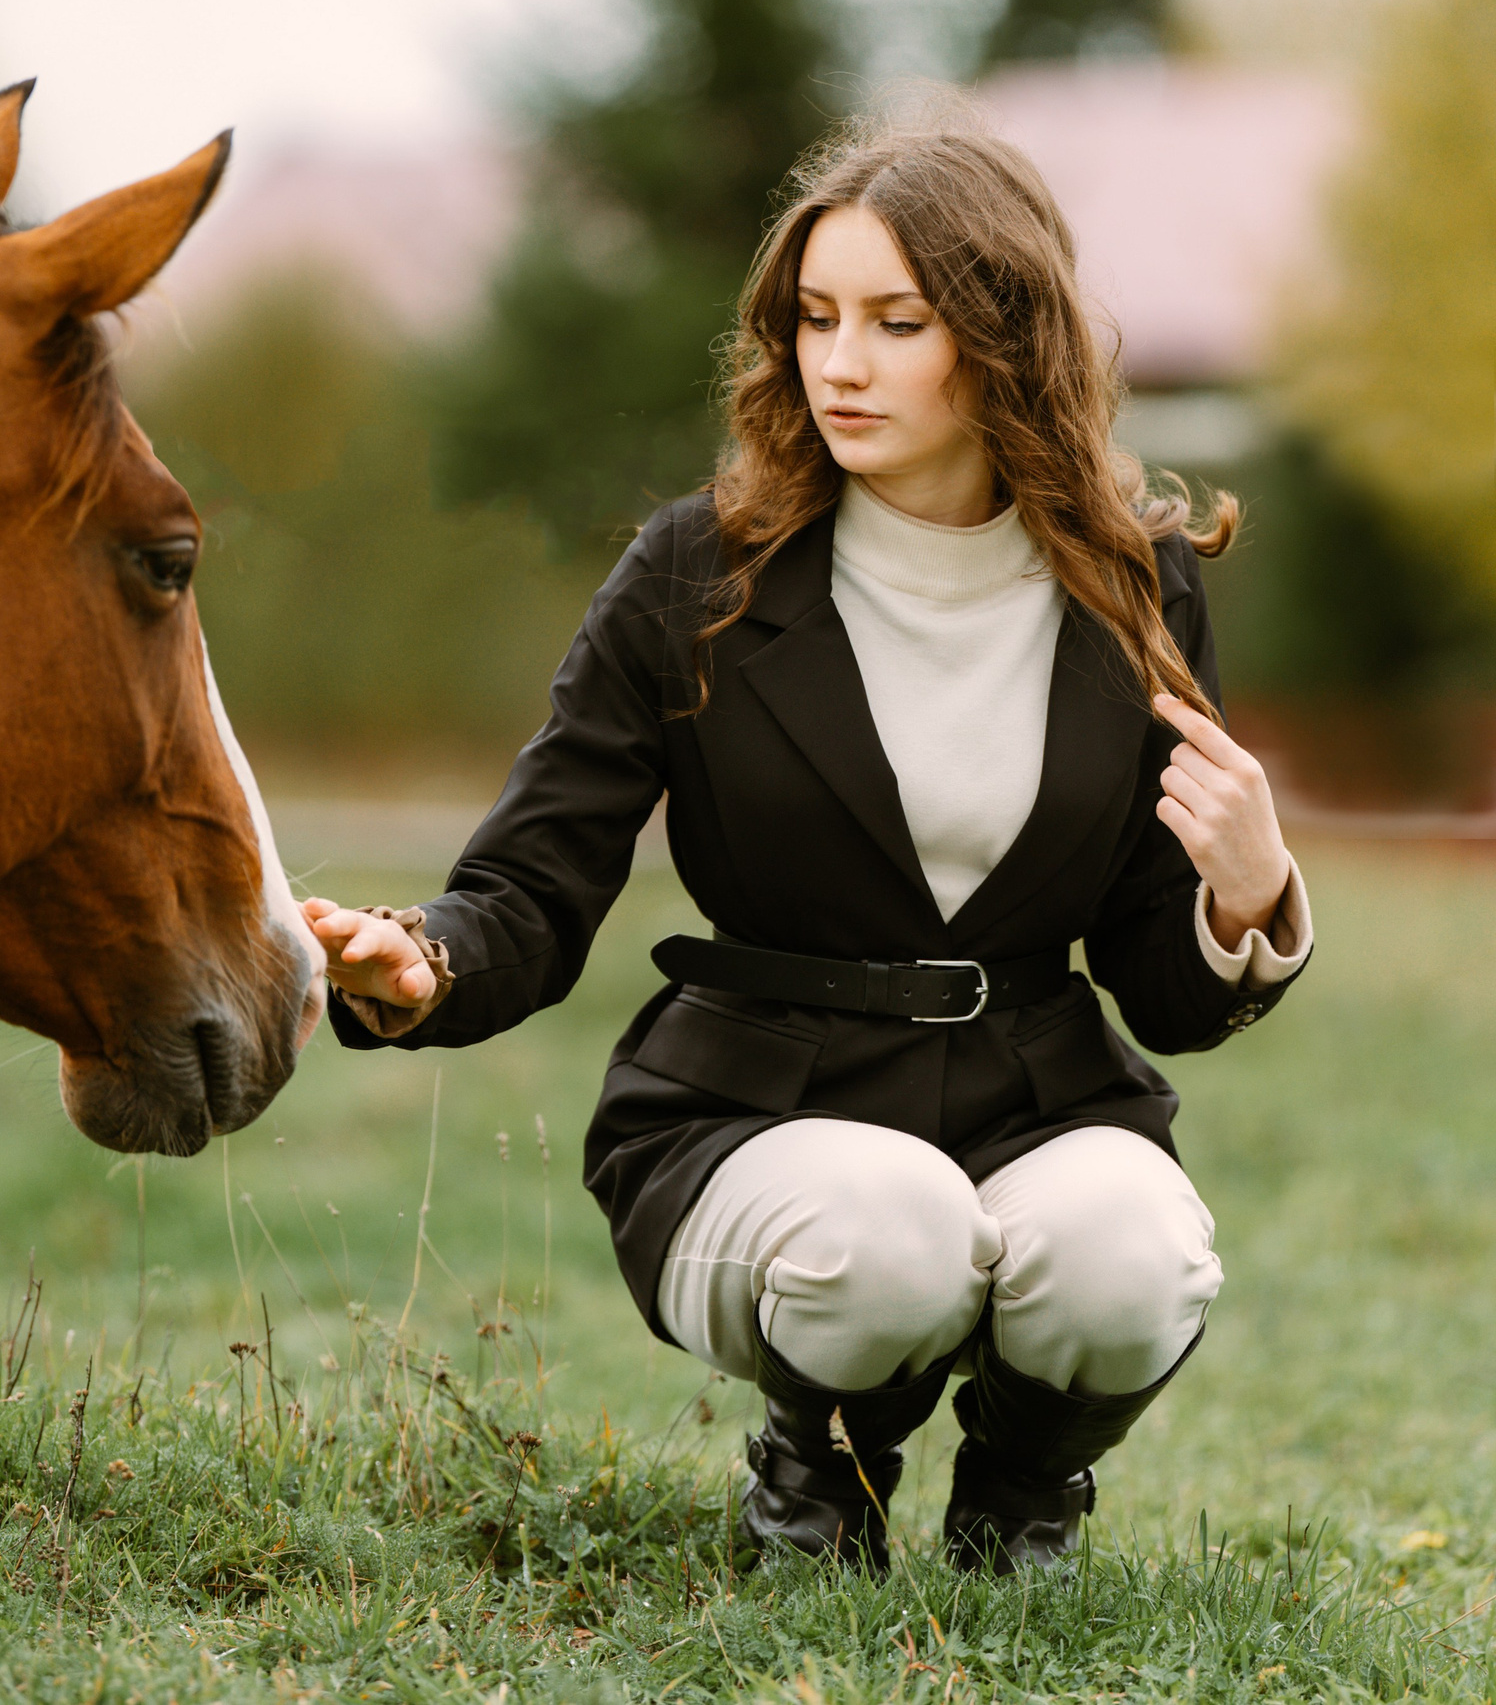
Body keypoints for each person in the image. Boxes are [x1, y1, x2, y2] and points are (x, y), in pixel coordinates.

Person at [302, 109, 1311, 1575]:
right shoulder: (695, 571)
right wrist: (430, 960)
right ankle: (818, 1476)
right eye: (816, 319)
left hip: (1036, 1099)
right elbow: (539, 871)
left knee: (1134, 1253)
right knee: (891, 1224)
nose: (839, 361)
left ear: (1004, 335)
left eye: (897, 322)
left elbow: (1160, 981)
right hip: (748, 1112)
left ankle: (1021, 1498)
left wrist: (1249, 891)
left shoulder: (1129, 579)